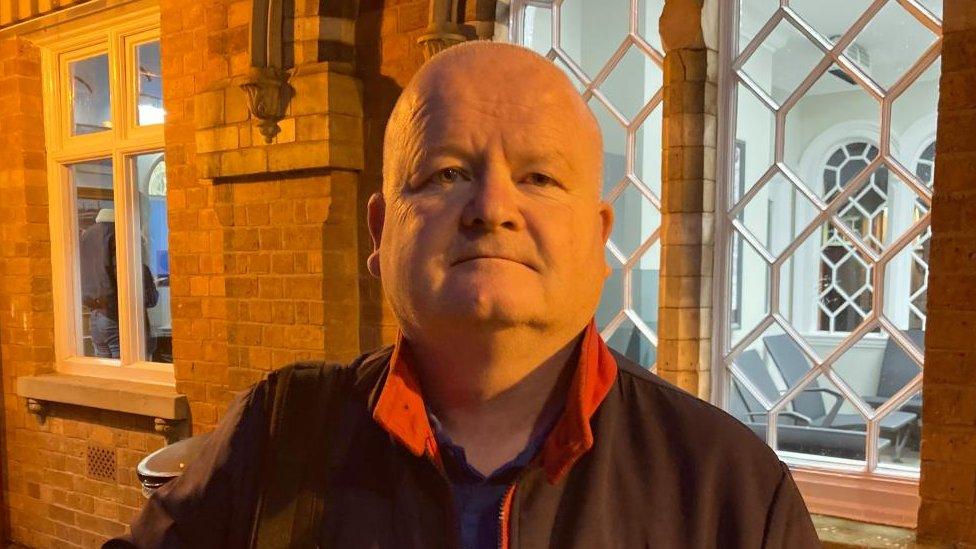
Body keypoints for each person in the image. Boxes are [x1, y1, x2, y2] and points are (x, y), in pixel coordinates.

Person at [109, 42, 820, 548]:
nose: (493, 207)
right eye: (446, 173)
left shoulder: (733, 492)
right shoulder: (274, 438)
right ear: (382, 231)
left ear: (599, 237)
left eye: (540, 177)